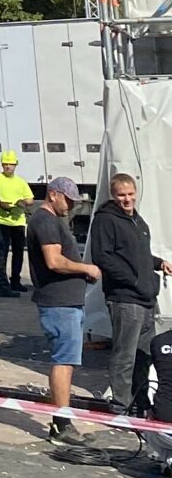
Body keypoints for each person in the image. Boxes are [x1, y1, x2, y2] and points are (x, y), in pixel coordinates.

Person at [88, 173, 170, 415]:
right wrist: (133, 280)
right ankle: (121, 406)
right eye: (122, 195)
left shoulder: (136, 220)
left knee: (144, 356)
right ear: (113, 195)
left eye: (131, 194)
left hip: (146, 299)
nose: (127, 199)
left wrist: (158, 263)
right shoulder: (106, 220)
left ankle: (140, 402)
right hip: (125, 298)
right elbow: (103, 257)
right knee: (125, 356)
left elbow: (138, 255)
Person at [27, 177, 101, 442]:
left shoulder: (51, 220)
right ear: (53, 195)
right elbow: (54, 261)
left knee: (67, 361)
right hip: (59, 304)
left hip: (65, 302)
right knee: (64, 361)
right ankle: (61, 424)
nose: (71, 206)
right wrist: (86, 268)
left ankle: (62, 421)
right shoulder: (45, 221)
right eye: (68, 200)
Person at [0, 151, 34, 296]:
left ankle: (15, 280)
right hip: (0, 221)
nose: (8, 167)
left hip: (17, 222)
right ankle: (0, 281)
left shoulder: (20, 181)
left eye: (11, 164)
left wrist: (23, 202)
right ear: (2, 164)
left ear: (16, 165)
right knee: (1, 253)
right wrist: (0, 204)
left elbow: (30, 199)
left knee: (18, 253)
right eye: (5, 164)